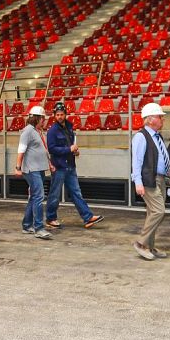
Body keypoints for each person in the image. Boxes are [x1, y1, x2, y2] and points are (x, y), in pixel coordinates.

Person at [45, 102, 104, 229]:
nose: (60, 116)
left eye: (62, 114)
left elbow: (70, 145)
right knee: (54, 194)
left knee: (77, 193)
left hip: (70, 165)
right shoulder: (52, 131)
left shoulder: (69, 127)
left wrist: (75, 151)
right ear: (54, 116)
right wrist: (69, 149)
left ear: (65, 114)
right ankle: (51, 218)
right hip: (59, 167)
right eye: (58, 115)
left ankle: (87, 217)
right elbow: (51, 149)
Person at [131, 103, 170, 260]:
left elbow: (164, 159)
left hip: (160, 179)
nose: (162, 119)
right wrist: (138, 182)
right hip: (148, 180)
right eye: (159, 116)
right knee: (159, 211)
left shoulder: (157, 136)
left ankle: (149, 246)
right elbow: (136, 162)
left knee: (153, 212)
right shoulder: (140, 137)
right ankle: (141, 243)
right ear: (150, 119)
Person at [14, 106, 54, 240]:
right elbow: (21, 150)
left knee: (34, 197)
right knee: (38, 196)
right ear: (38, 118)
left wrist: (49, 164)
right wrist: (17, 167)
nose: (45, 121)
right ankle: (39, 228)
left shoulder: (36, 131)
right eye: (43, 118)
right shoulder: (28, 131)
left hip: (39, 169)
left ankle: (26, 225)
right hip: (32, 170)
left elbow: (42, 150)